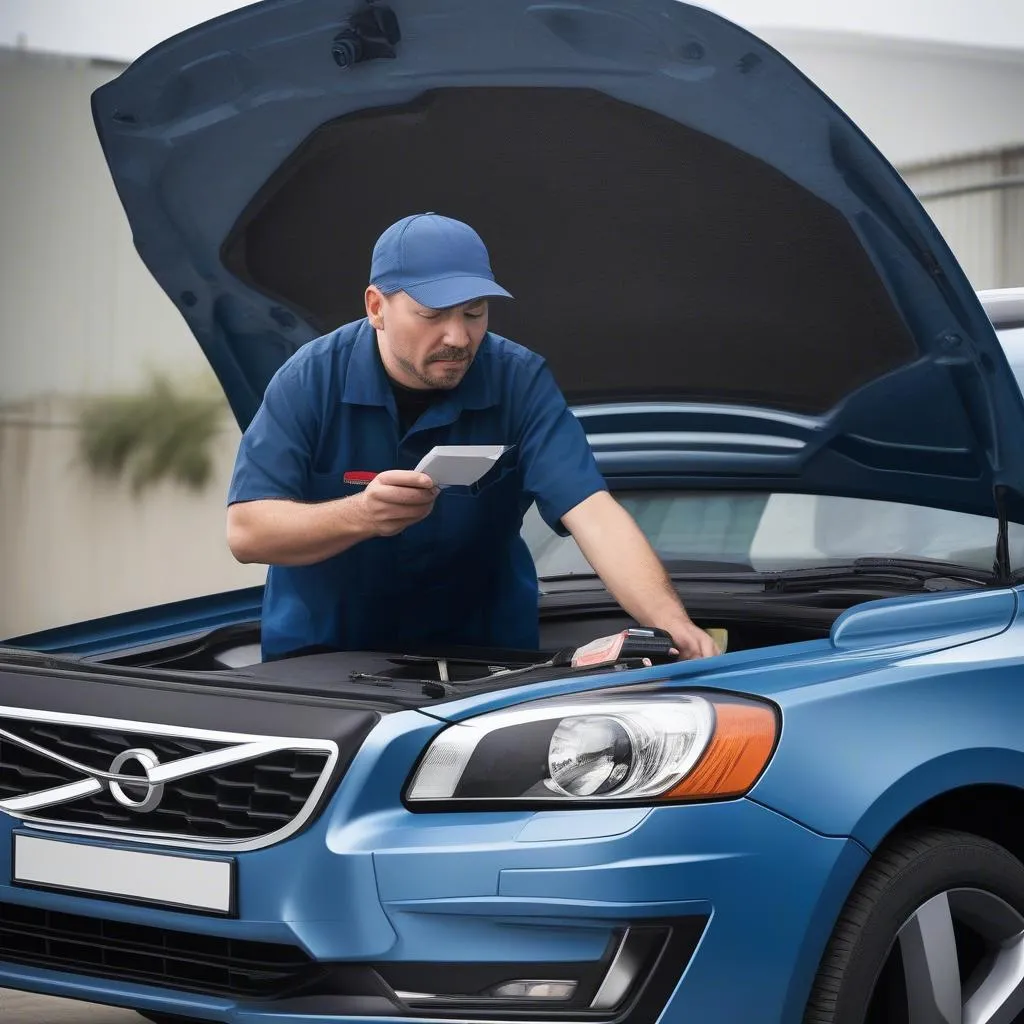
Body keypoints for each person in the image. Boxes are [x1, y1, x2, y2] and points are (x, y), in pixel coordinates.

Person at [226, 213, 718, 662]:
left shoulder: (518, 381)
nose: (458, 338)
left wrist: (670, 622)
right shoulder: (309, 381)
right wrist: (360, 514)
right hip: (322, 664)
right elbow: (248, 533)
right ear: (377, 306)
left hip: (482, 662)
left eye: (474, 312)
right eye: (433, 314)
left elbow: (592, 511)